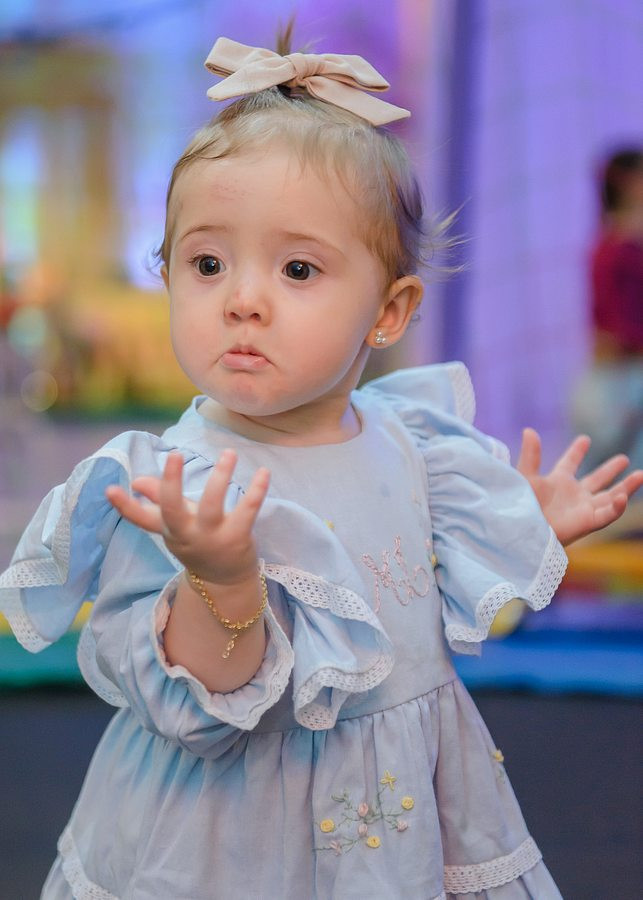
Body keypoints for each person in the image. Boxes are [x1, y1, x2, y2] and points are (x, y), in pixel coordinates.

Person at [2, 34, 642, 900]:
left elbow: (425, 603)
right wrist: (220, 580)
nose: (242, 299)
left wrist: (519, 525)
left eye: (297, 268)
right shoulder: (178, 486)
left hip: (398, 822)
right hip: (229, 847)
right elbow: (200, 712)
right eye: (206, 263)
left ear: (389, 311)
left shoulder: (411, 442)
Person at [572, 148, 643, 474]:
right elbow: (618, 327)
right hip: (617, 380)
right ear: (629, 182)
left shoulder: (615, 245)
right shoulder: (616, 249)